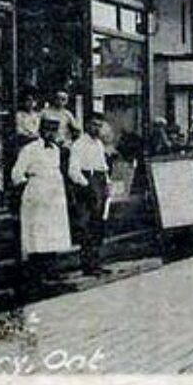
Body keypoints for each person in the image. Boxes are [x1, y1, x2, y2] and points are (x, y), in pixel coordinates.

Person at [11, 118, 73, 295]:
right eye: (48, 130)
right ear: (41, 130)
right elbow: (16, 173)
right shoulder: (30, 149)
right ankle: (35, 277)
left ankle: (50, 273)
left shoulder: (56, 150)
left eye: (54, 131)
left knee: (52, 235)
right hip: (37, 197)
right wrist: (32, 186)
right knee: (37, 236)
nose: (51, 134)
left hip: (54, 198)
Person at [68, 115, 111, 275]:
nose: (97, 129)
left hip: (100, 181)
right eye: (94, 125)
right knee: (87, 225)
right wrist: (86, 185)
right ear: (87, 125)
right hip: (87, 182)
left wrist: (107, 183)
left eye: (99, 125)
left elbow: (103, 166)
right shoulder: (79, 144)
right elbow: (73, 170)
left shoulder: (99, 144)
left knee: (98, 224)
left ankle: (96, 261)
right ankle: (87, 264)